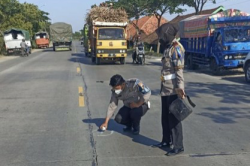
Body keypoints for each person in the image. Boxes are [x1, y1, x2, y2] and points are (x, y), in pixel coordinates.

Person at [152, 23, 186, 156]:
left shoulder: (176, 49)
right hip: (165, 89)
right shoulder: (167, 48)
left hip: (173, 89)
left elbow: (179, 72)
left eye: (162, 35)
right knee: (165, 117)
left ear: (168, 35)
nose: (160, 38)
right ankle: (166, 140)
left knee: (174, 118)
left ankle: (178, 145)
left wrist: (180, 89)